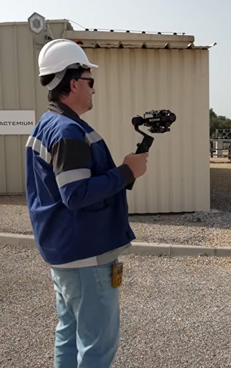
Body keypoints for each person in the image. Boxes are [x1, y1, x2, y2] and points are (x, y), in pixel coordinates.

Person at [25, 38, 148, 368]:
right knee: (96, 344)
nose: (94, 89)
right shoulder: (68, 130)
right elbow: (75, 194)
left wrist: (124, 173)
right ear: (74, 82)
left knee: (68, 333)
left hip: (65, 254)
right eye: (90, 82)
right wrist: (126, 172)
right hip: (87, 256)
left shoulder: (48, 124)